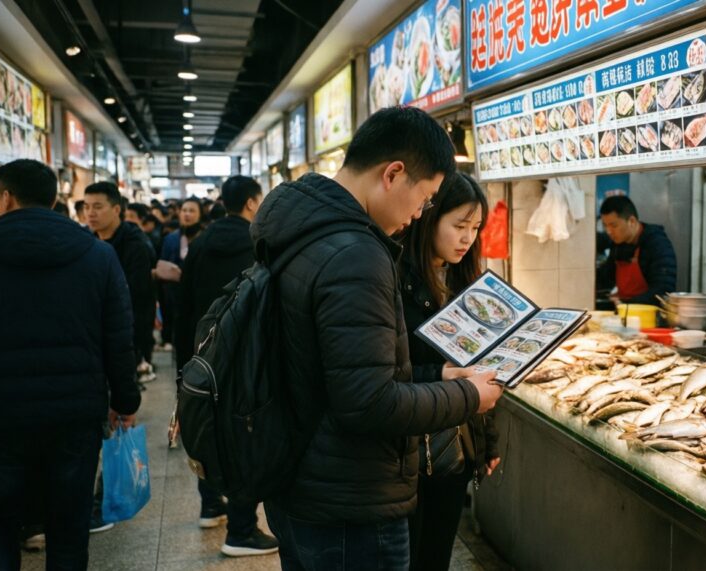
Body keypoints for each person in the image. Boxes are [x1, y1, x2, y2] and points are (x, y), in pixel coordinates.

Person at [251, 106, 503, 569]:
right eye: (425, 198)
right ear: (393, 174)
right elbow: (368, 403)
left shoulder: (299, 225)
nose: (419, 214)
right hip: (349, 498)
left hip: (298, 478)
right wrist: (468, 395)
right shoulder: (357, 253)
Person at [0, 159, 140, 569]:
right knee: (67, 528)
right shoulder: (97, 255)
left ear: (6, 197)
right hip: (74, 413)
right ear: (53, 198)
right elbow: (119, 337)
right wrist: (124, 399)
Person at [398, 173, 501, 571]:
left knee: (436, 555)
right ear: (429, 217)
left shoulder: (466, 282)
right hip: (406, 450)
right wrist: (439, 373)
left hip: (453, 452)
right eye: (459, 225)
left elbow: (480, 370)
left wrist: (487, 442)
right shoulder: (396, 279)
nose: (468, 238)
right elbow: (389, 370)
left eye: (475, 228)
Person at [174, 175, 278, 557]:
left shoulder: (200, 244)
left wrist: (184, 362)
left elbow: (184, 306)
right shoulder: (260, 243)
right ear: (252, 203)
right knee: (243, 435)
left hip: (202, 356)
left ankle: (210, 504)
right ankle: (242, 528)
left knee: (206, 424)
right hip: (245, 357)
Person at [84, 182, 158, 389]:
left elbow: (137, 298)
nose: (90, 213)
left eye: (97, 207)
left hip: (124, 334)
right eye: (86, 206)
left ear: (116, 209)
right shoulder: (86, 241)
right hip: (92, 332)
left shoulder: (135, 246)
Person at [597, 195, 677, 304]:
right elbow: (607, 277)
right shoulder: (618, 244)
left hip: (649, 315)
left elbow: (663, 291)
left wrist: (627, 305)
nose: (609, 231)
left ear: (632, 221)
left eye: (613, 225)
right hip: (624, 312)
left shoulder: (657, 244)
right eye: (605, 226)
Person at [158, 197, 204, 354]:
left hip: (199, 298)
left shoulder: (205, 237)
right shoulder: (171, 239)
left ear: (200, 215)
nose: (187, 214)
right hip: (175, 296)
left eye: (192, 211)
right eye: (184, 210)